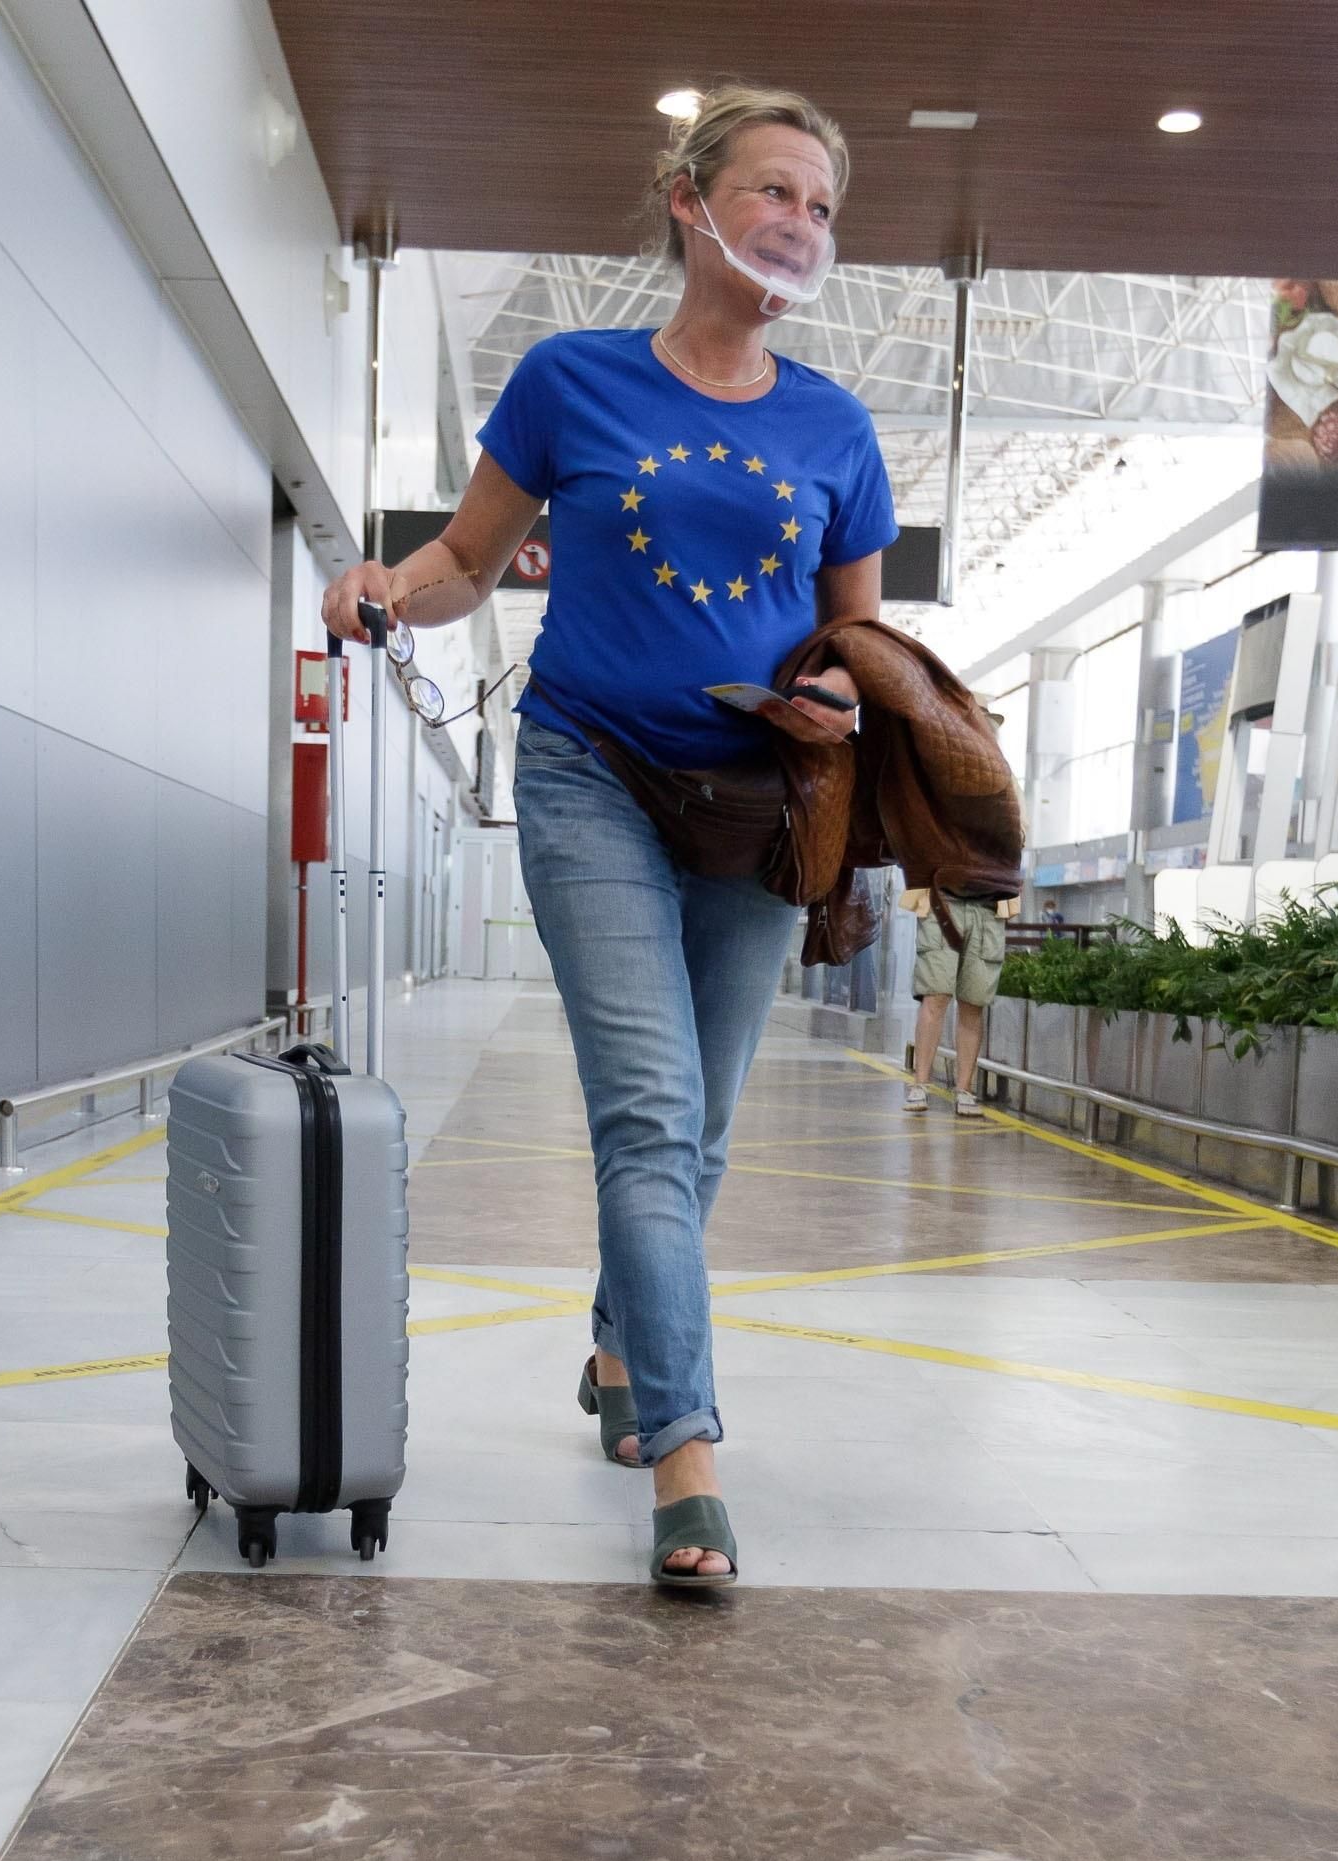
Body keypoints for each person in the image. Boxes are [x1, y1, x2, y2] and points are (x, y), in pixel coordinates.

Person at [323, 83, 893, 1586]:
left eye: (823, 206)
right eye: (775, 190)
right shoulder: (572, 379)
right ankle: (687, 1454)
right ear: (690, 202)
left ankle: (621, 1346)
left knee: (697, 1124)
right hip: (590, 774)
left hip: (764, 805)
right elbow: (466, 556)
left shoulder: (837, 427)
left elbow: (858, 637)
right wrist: (390, 583)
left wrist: (836, 692)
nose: (800, 224)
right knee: (647, 1111)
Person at [901, 724, 1019, 1113]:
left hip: (988, 902)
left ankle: (964, 1089)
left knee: (973, 1000)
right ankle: (921, 1084)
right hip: (944, 899)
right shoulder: (942, 778)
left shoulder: (1006, 785)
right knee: (936, 995)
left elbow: (1018, 836)